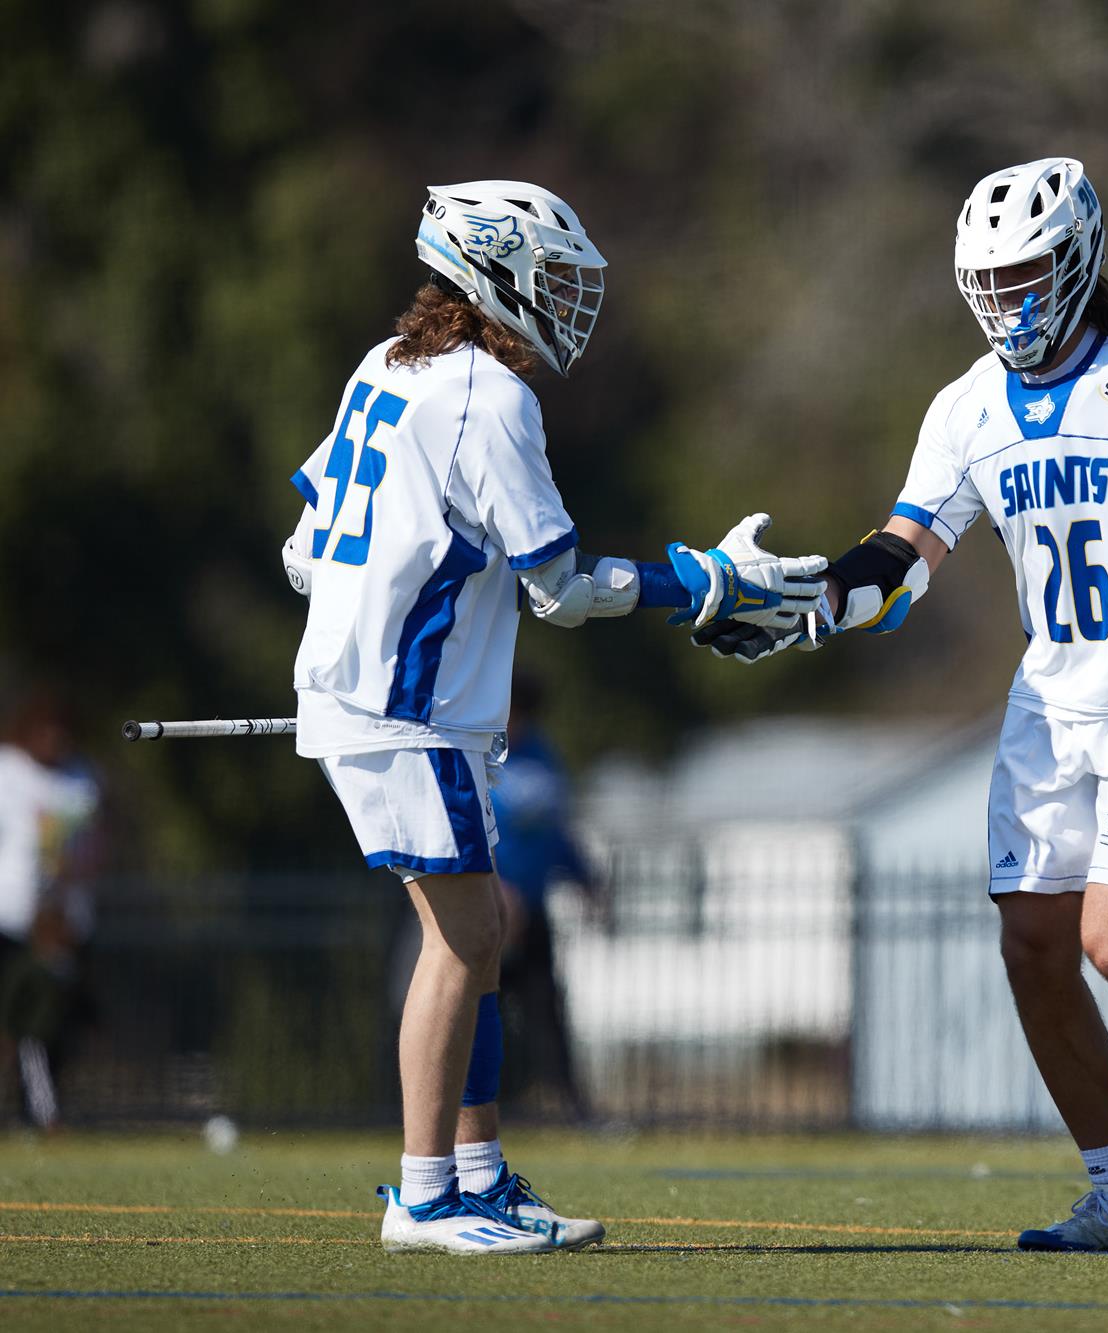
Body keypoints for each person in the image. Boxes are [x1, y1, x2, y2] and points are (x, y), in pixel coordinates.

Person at [701, 158, 1108, 1251]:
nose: (1011, 299)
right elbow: (906, 548)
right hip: (1052, 703)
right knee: (1033, 947)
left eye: (1030, 271)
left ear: (1078, 256)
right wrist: (822, 595)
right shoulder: (966, 407)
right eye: (991, 279)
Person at [282, 180, 824, 1254]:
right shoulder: (486, 393)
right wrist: (702, 582)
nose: (569, 300)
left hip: (385, 696)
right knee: (467, 935)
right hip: (412, 705)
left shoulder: (386, 366)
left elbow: (305, 546)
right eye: (553, 276)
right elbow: (560, 587)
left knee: (474, 939)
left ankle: (473, 1175)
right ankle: (426, 1195)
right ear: (494, 273)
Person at [491, 674, 594, 1120]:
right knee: (474, 1011)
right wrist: (493, 889)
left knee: (546, 1012)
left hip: (532, 913)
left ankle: (569, 1107)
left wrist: (585, 878)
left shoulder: (542, 756)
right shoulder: (479, 751)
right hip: (486, 911)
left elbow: (556, 831)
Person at [0, 691, 101, 1130]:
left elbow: (96, 844)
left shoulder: (82, 778)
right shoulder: (8, 772)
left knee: (48, 1024)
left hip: (62, 924)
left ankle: (38, 1113)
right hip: (11, 917)